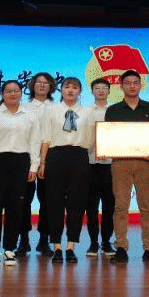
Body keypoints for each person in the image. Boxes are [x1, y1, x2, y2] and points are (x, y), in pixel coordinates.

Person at [103, 69, 149, 264]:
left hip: (145, 162)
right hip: (120, 162)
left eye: (135, 82)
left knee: (147, 206)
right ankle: (121, 247)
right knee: (121, 206)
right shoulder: (113, 110)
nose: (132, 86)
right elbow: (108, 136)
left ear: (141, 85)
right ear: (121, 86)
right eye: (127, 83)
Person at [0, 80, 40, 266]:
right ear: (2, 94)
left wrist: (34, 166)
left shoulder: (29, 115)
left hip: (21, 162)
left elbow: (35, 142)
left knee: (16, 208)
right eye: (8, 91)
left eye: (16, 91)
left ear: (21, 93)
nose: (12, 94)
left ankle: (9, 249)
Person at [39, 76, 95, 263]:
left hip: (79, 156)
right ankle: (56, 246)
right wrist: (42, 163)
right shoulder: (51, 110)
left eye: (75, 87)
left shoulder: (88, 112)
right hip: (55, 156)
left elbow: (92, 137)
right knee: (54, 202)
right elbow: (46, 138)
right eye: (67, 87)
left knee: (77, 203)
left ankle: (71, 246)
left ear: (80, 92)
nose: (70, 90)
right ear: (61, 90)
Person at [17, 72, 55, 256]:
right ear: (32, 85)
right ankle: (23, 239)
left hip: (51, 158)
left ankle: (44, 240)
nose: (42, 85)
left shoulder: (57, 108)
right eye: (38, 82)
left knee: (48, 200)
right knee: (23, 200)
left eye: (46, 83)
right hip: (26, 158)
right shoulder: (23, 108)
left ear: (51, 87)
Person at [85, 77, 116, 257]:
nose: (101, 91)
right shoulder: (86, 112)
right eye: (97, 88)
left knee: (109, 206)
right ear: (92, 91)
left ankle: (106, 242)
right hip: (91, 163)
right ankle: (93, 242)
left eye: (104, 87)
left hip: (111, 164)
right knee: (91, 206)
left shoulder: (116, 111)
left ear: (109, 91)